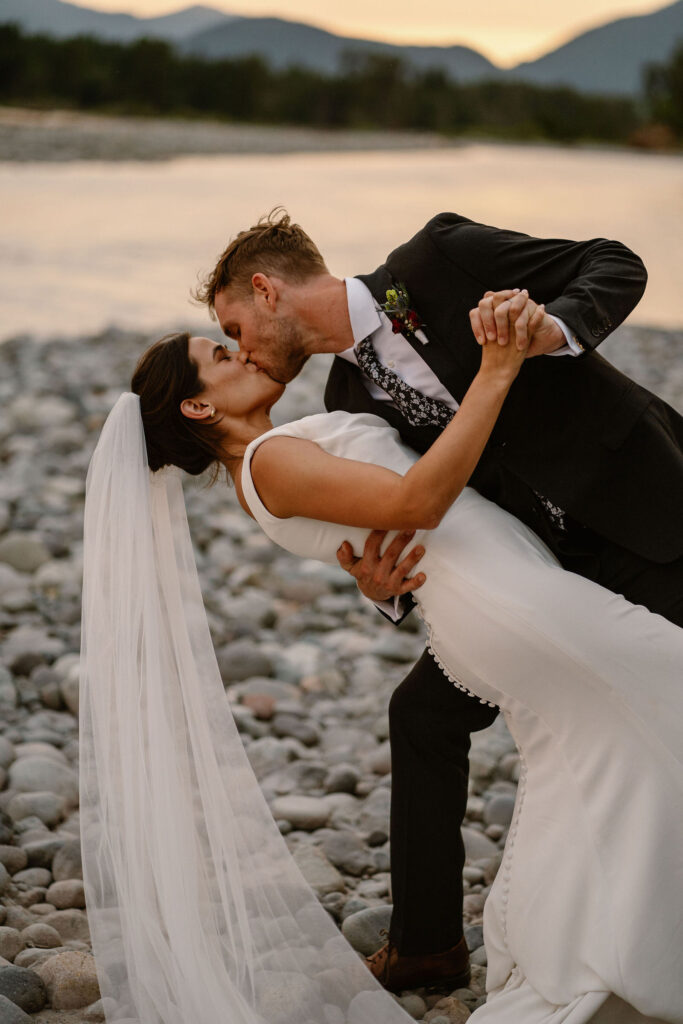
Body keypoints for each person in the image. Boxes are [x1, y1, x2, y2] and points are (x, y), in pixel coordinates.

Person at [79, 322, 683, 1024]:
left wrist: (376, 583)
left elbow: (390, 523)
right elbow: (414, 503)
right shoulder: (268, 463)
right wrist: (494, 372)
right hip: (511, 607)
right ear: (198, 408)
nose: (241, 352)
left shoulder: (281, 447)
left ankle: (586, 952)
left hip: (504, 597)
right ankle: (591, 961)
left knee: (598, 769)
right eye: (220, 354)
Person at [192, 209, 683, 993]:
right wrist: (378, 587)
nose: (239, 345)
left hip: (643, 507)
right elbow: (422, 508)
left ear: (265, 287)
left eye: (232, 324)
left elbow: (613, 261)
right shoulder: (345, 392)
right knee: (421, 715)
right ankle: (426, 945)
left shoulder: (438, 257)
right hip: (540, 573)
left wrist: (549, 330)